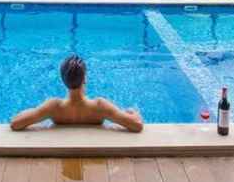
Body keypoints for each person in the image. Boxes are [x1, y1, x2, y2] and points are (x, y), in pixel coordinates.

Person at [10, 55, 144, 132]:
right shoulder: (99, 106)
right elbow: (137, 125)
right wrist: (133, 112)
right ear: (85, 78)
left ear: (63, 80)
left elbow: (16, 123)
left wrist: (33, 111)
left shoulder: (54, 107)